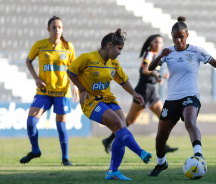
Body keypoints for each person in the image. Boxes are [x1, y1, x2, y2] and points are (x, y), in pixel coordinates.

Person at [148, 16, 216, 177]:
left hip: (191, 96)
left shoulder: (196, 51)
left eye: (181, 36)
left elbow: (215, 63)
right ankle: (161, 164)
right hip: (172, 99)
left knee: (190, 121)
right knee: (161, 136)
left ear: (187, 35)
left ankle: (198, 154)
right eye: (175, 37)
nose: (178, 40)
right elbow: (150, 67)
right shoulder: (168, 52)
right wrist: (160, 55)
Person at [67, 28, 152, 181]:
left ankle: (113, 171)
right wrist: (82, 89)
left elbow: (123, 80)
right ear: (109, 45)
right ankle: (140, 152)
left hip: (108, 99)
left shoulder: (114, 63)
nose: (120, 52)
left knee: (121, 129)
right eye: (119, 49)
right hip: (92, 102)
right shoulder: (87, 58)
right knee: (118, 125)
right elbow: (71, 71)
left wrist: (134, 93)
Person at [102, 34, 178, 154]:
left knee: (164, 118)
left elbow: (149, 73)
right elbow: (145, 70)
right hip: (143, 91)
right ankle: (108, 140)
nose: (159, 45)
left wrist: (157, 79)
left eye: (160, 43)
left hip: (150, 91)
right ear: (151, 43)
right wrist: (160, 76)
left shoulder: (156, 55)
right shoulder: (149, 54)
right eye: (156, 42)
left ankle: (163, 145)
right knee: (128, 121)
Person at [20, 16, 78, 166]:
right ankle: (35, 151)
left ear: (62, 29)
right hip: (44, 92)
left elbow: (73, 70)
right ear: (48, 29)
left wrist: (76, 87)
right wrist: (36, 79)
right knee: (31, 122)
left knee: (61, 125)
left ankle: (65, 158)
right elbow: (28, 61)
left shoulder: (68, 47)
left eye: (59, 27)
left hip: (62, 92)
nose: (57, 30)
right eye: (54, 27)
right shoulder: (39, 45)